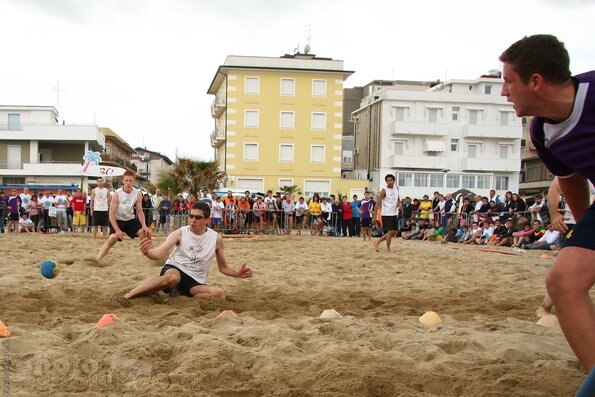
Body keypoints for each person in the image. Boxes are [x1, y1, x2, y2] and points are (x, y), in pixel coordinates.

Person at [500, 34, 595, 372]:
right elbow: (571, 180)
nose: (503, 91)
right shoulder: (542, 134)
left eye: (508, 81)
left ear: (535, 81)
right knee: (562, 282)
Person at [123, 201, 253, 301]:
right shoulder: (180, 233)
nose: (193, 220)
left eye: (197, 217)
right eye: (191, 216)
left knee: (219, 293)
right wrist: (147, 252)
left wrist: (237, 273)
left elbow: (223, 267)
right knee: (172, 278)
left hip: (195, 281)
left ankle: (182, 299)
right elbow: (158, 254)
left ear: (207, 220)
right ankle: (129, 295)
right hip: (176, 268)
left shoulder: (216, 239)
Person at [96, 171, 151, 261]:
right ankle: (98, 260)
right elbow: (111, 214)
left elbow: (140, 211)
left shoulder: (138, 194)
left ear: (134, 181)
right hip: (118, 220)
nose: (128, 183)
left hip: (130, 219)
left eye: (130, 180)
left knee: (145, 234)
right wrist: (117, 230)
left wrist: (144, 225)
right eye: (126, 180)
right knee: (113, 238)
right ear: (123, 181)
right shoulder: (117, 194)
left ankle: (154, 257)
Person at [373, 174, 401, 253]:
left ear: (393, 181)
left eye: (390, 180)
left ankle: (377, 241)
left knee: (395, 232)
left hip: (394, 213)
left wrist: (399, 203)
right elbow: (377, 203)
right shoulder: (384, 190)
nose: (389, 182)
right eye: (387, 180)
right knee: (390, 232)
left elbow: (398, 197)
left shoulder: (396, 188)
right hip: (386, 214)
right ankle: (388, 249)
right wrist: (374, 216)